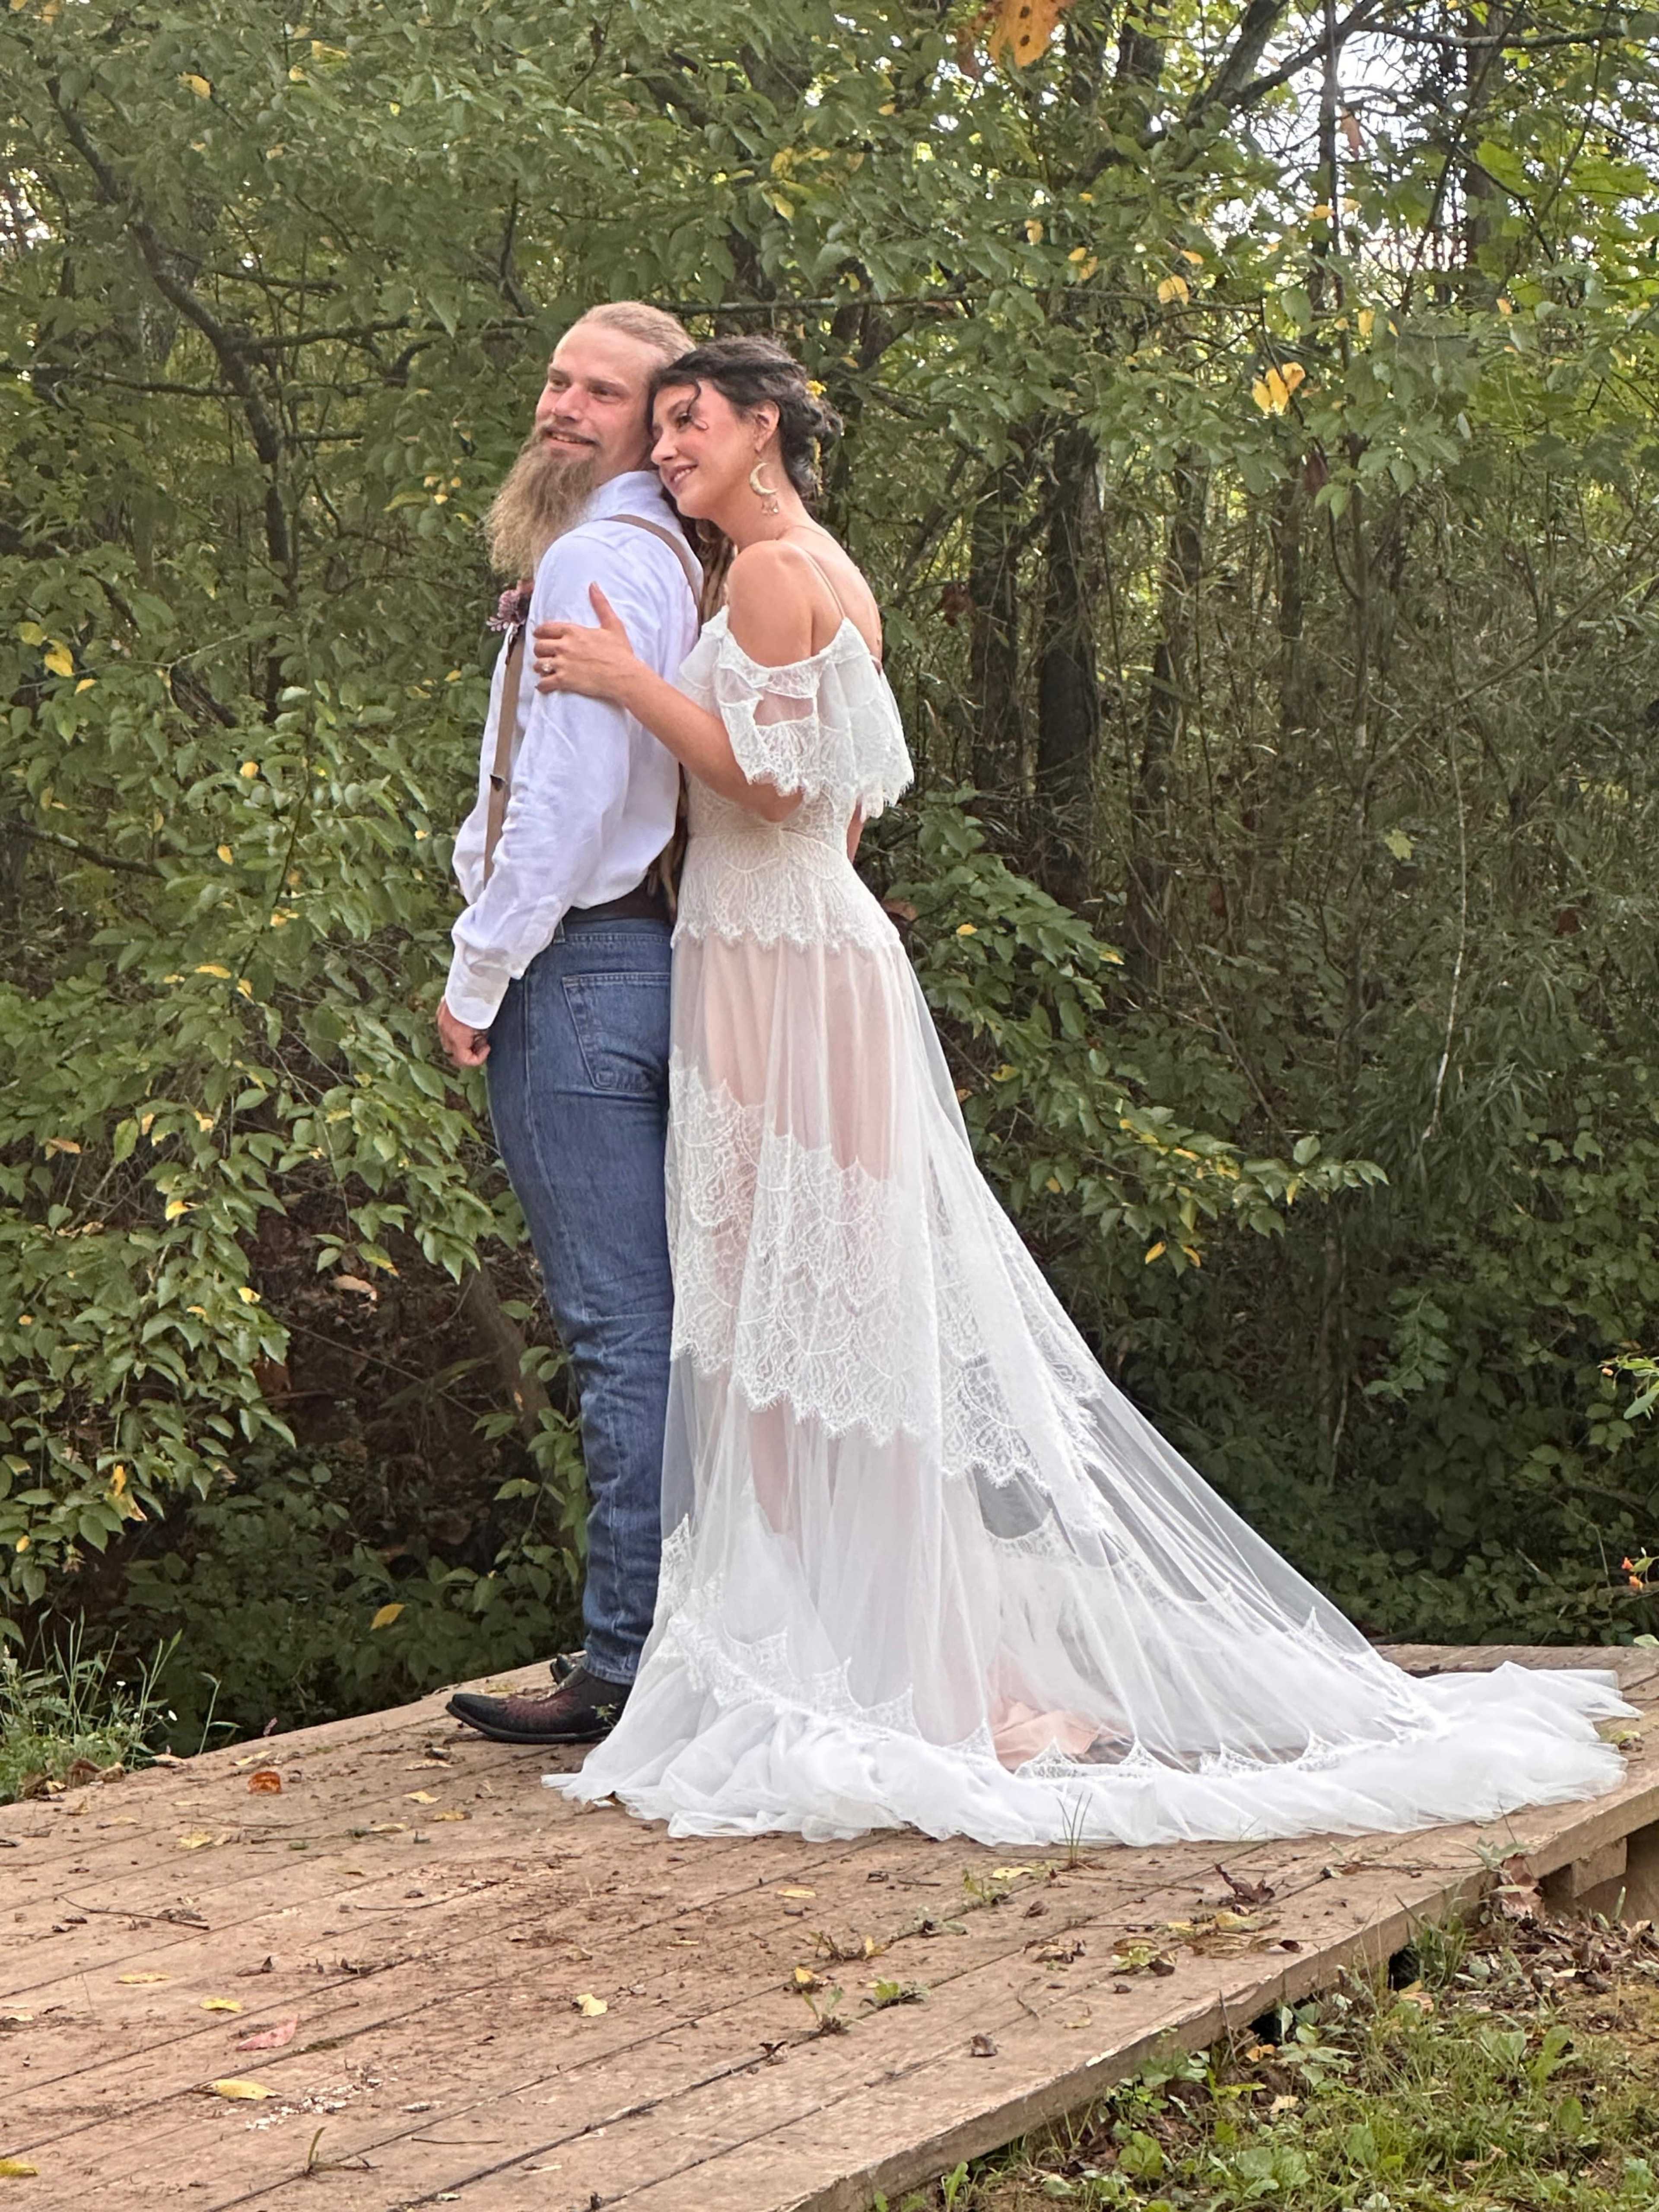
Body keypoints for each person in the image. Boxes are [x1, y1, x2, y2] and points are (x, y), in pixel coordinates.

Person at [527, 335, 1632, 1845]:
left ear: (766, 430)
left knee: (820, 1310)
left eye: (687, 422)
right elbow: (843, 800)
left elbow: (791, 791)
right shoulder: (803, 567)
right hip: (775, 944)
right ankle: (904, 1661)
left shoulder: (779, 574)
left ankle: (941, 1681)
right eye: (655, 429)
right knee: (812, 1311)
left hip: (784, 956)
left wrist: (629, 680)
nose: (663, 449)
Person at [437, 303, 702, 1747]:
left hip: (580, 971)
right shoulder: (661, 557)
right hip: (653, 965)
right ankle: (673, 1638)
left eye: (603, 393)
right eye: (556, 378)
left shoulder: (599, 559)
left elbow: (564, 803)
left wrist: (480, 974)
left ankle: (625, 1664)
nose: (563, 406)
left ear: (659, 427)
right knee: (666, 1328)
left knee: (620, 1334)